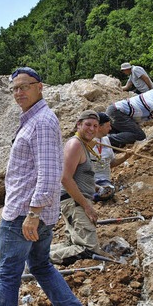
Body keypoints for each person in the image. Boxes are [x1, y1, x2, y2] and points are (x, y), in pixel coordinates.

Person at [0, 67, 90, 306]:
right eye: (14, 88)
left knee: (7, 275)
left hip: (24, 215)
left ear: (39, 87)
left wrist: (33, 213)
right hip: (36, 213)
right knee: (41, 265)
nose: (18, 93)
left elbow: (51, 172)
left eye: (24, 87)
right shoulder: (33, 119)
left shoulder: (41, 121)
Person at [51, 110, 106, 266]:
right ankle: (36, 263)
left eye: (95, 126)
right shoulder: (75, 144)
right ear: (78, 124)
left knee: (71, 244)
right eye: (87, 124)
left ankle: (34, 256)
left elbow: (77, 175)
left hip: (74, 201)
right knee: (89, 249)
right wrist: (86, 206)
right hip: (74, 202)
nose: (91, 129)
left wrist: (94, 187)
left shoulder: (83, 146)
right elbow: (65, 178)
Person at [92, 112, 132, 202]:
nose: (110, 129)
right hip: (90, 181)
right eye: (107, 126)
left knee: (109, 190)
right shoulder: (85, 143)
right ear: (99, 127)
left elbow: (111, 163)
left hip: (104, 181)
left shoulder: (106, 140)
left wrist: (126, 156)